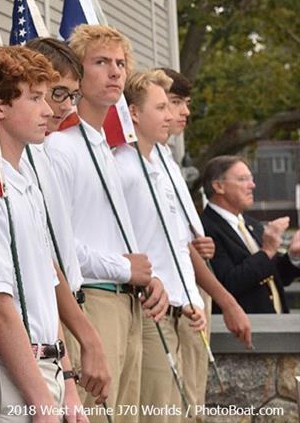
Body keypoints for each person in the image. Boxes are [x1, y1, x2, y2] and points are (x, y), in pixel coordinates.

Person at [47, 25, 168, 422]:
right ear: (77, 74)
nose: (115, 72)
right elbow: (57, 246)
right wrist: (123, 267)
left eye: (120, 63)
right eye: (101, 62)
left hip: (128, 301)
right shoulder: (59, 146)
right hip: (93, 301)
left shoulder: (106, 147)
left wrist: (147, 277)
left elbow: (116, 232)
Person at [0, 46, 68, 423]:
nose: (49, 110)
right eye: (35, 98)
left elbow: (44, 294)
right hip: (7, 375)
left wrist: (66, 381)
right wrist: (40, 399)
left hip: (43, 368)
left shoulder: (24, 183)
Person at [155, 68, 252, 415]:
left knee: (191, 404)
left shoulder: (168, 162)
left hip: (191, 298)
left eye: (185, 103)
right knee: (168, 408)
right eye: (174, 102)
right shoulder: (142, 162)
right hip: (167, 303)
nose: (183, 112)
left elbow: (185, 242)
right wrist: (228, 301)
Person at [25, 37, 111, 410]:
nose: (63, 107)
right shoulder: (30, 158)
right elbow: (47, 263)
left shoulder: (43, 153)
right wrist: (88, 337)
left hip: (64, 320)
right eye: (55, 93)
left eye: (71, 96)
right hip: (53, 324)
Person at [114, 70, 205, 422]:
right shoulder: (123, 166)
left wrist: (191, 298)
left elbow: (176, 244)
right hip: (150, 306)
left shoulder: (159, 164)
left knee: (178, 410)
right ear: (134, 112)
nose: (171, 116)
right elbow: (128, 241)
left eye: (172, 107)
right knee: (156, 412)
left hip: (177, 305)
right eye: (162, 107)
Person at [200, 156, 300, 313]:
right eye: (243, 179)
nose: (252, 185)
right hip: (240, 330)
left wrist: (293, 256)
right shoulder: (204, 229)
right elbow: (227, 284)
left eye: (251, 179)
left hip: (274, 327)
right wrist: (267, 251)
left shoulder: (251, 224)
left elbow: (275, 276)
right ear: (219, 186)